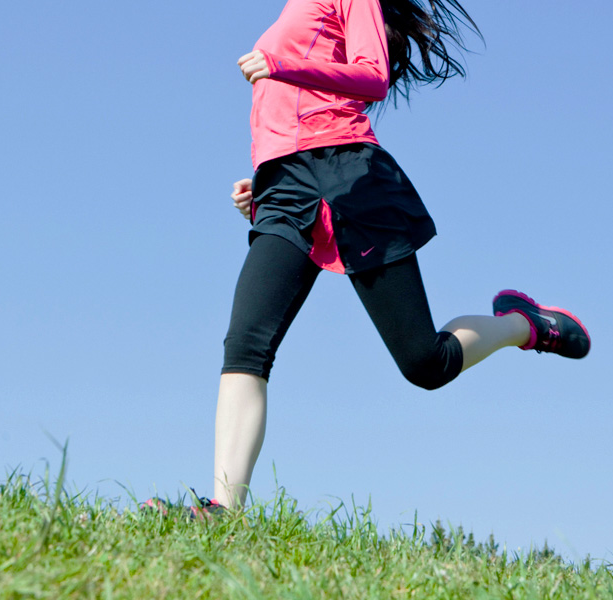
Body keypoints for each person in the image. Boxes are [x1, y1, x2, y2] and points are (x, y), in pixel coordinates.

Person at [211, 0, 590, 511]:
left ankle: (524, 325)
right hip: (282, 188)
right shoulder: (289, 11)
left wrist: (281, 66)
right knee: (245, 344)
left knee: (425, 364)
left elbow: (373, 76)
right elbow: (283, 118)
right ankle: (223, 511)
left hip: (350, 173)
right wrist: (263, 183)